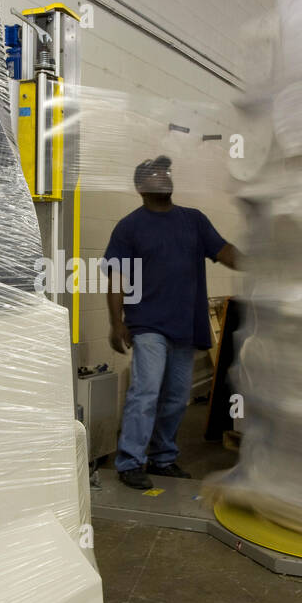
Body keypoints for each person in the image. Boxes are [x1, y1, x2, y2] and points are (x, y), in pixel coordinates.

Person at [104, 155, 241, 490]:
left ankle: (163, 457)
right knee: (146, 391)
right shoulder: (130, 226)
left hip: (185, 323)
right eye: (154, 173)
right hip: (147, 323)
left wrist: (266, 263)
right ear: (140, 187)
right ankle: (130, 461)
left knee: (177, 397)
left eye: (165, 171)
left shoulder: (193, 220)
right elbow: (115, 277)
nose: (163, 176)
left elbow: (224, 252)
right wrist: (115, 322)